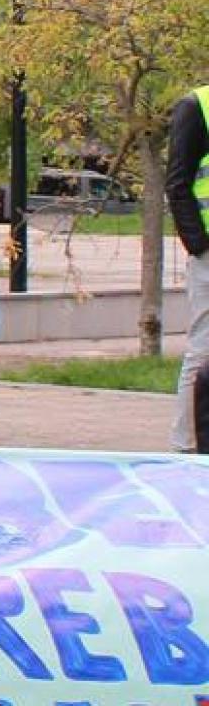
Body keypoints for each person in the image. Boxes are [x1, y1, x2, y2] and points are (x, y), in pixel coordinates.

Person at [162, 83, 209, 453]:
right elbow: (177, 183)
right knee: (205, 348)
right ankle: (187, 446)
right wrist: (199, 245)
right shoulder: (197, 106)